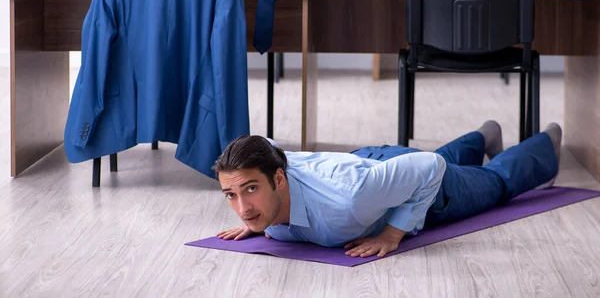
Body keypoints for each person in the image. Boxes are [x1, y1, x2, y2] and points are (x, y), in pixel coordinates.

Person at [214, 121, 561, 258]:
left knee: (494, 185)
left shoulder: (350, 199)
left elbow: (429, 168)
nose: (242, 206)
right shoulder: (263, 177)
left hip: (399, 180)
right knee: (412, 168)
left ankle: (548, 143)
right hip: (372, 167)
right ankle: (483, 136)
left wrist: (394, 233)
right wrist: (256, 214)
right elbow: (265, 143)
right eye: (233, 195)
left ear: (278, 180)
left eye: (251, 189)